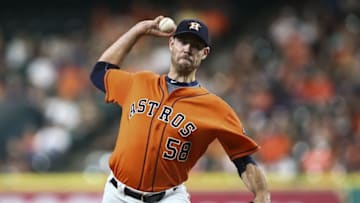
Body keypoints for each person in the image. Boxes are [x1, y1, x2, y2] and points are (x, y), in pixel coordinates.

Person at [90, 15, 271, 203]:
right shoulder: (139, 82)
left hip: (168, 198)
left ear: (205, 53)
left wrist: (262, 194)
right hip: (117, 194)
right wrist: (138, 30)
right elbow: (99, 72)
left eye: (196, 45)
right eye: (183, 41)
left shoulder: (216, 108)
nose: (188, 49)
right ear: (171, 44)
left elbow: (243, 160)